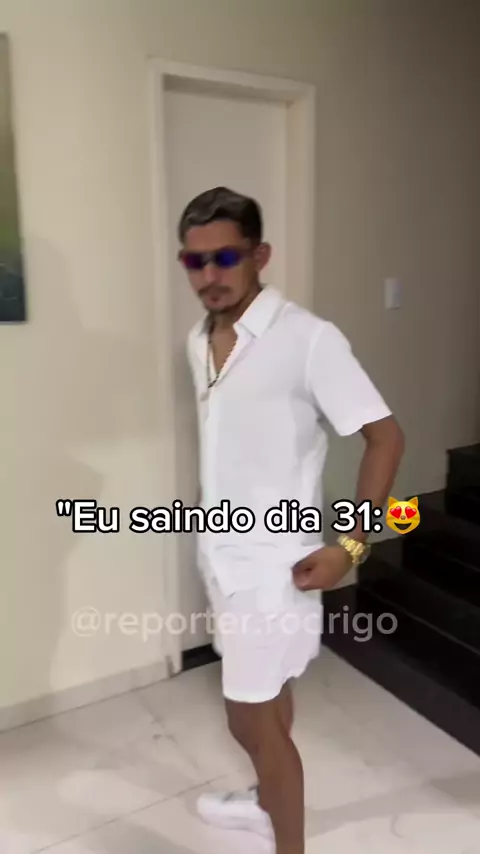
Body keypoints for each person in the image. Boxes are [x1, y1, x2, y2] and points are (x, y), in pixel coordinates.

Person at [179, 186, 405, 854]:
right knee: (269, 706)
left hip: (275, 571)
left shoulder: (308, 340)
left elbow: (386, 438)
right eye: (195, 261)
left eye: (225, 257)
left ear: (260, 255)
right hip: (221, 558)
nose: (210, 275)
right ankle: (264, 803)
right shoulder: (200, 339)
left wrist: (352, 546)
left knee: (251, 724)